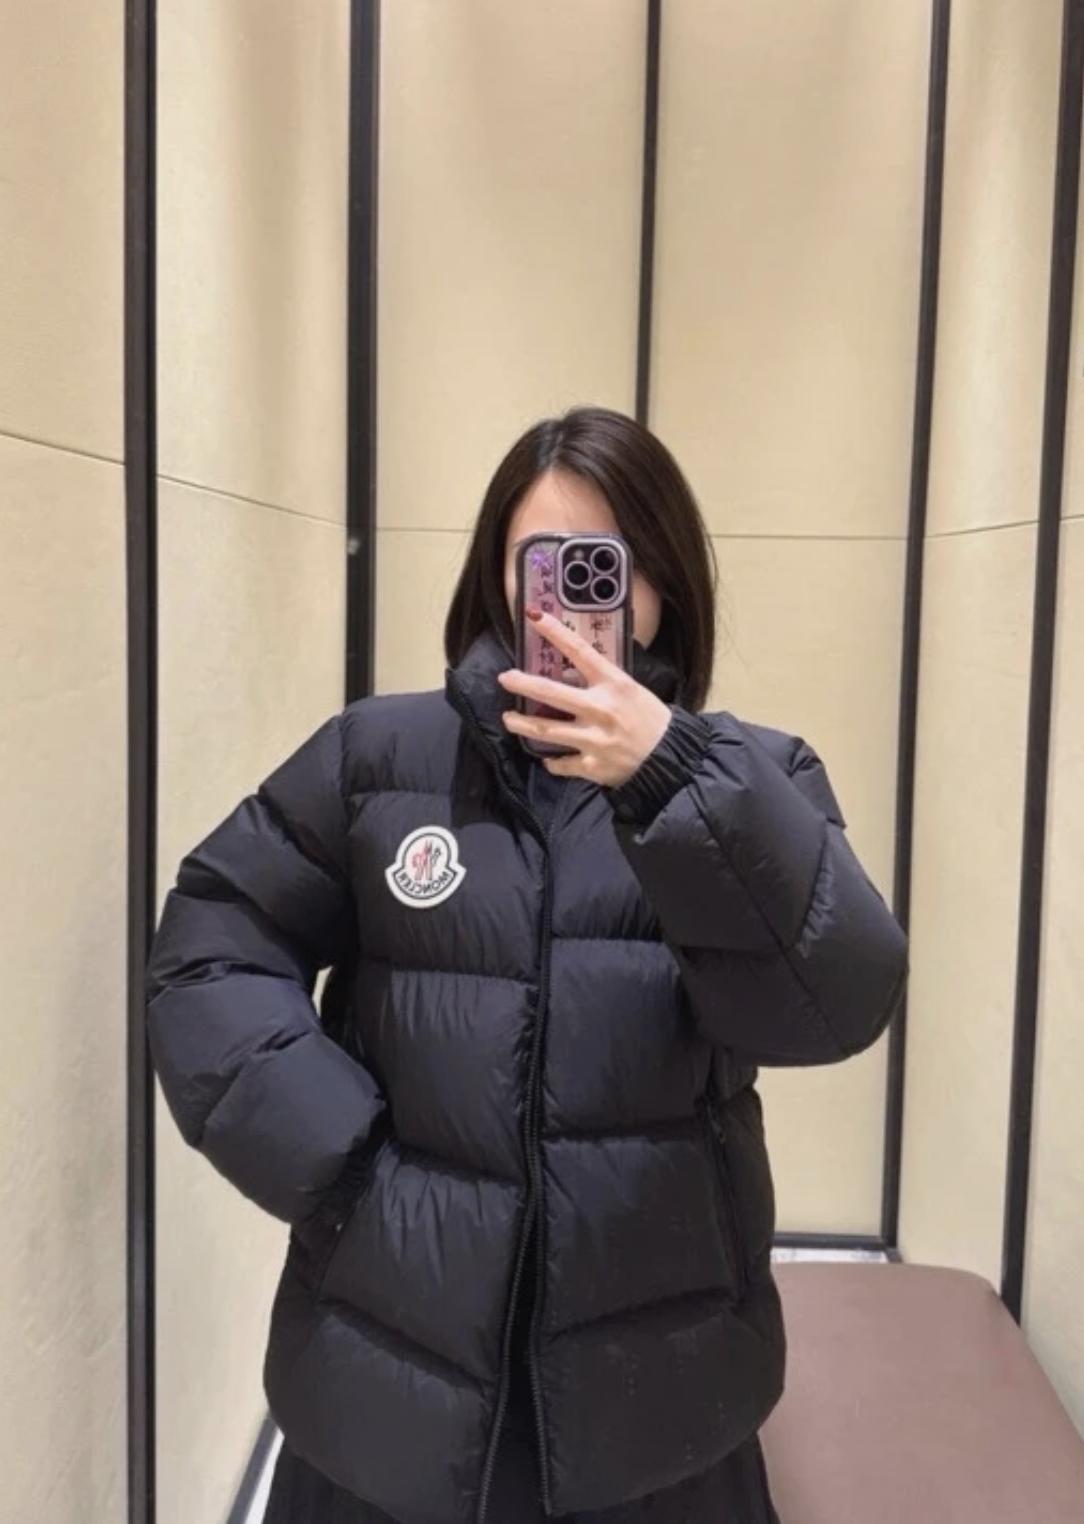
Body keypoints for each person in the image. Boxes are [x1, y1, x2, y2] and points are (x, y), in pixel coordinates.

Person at [147, 406, 908, 1524]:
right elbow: (212, 942)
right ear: (499, 583)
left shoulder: (757, 778)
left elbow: (834, 1002)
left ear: (662, 587)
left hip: (662, 1387)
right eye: (548, 561)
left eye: (615, 561)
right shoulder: (377, 757)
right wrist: (344, 1167)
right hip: (385, 1374)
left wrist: (671, 776)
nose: (581, 594)